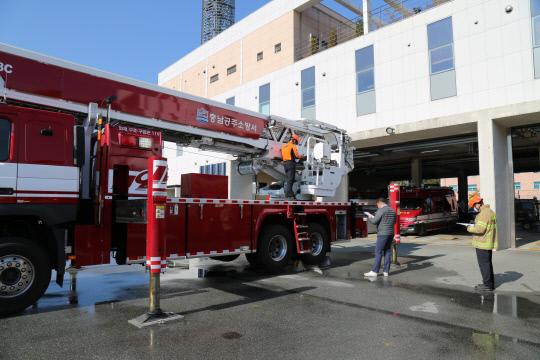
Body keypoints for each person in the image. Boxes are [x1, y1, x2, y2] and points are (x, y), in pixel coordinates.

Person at [468, 194, 498, 291]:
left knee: (483, 264)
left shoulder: (483, 214)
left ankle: (487, 285)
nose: (474, 208)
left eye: (474, 206)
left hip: (482, 242)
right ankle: (490, 283)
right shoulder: (490, 212)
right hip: (488, 242)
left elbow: (480, 229)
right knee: (487, 263)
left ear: (477, 204)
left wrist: (469, 228)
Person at [364, 197, 396, 277]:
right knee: (387, 251)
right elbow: (394, 222)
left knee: (378, 251)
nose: (377, 206)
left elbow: (374, 221)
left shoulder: (381, 210)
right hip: (391, 233)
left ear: (380, 203)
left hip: (382, 233)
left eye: (377, 205)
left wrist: (370, 218)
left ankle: (374, 271)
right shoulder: (392, 210)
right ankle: (386, 271)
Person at [281, 134, 302, 199]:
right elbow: (296, 156)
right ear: (294, 140)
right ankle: (289, 194)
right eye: (295, 142)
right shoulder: (292, 146)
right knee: (291, 179)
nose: (295, 143)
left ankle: (288, 193)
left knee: (288, 179)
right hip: (290, 164)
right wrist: (302, 157)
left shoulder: (284, 146)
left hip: (285, 164)